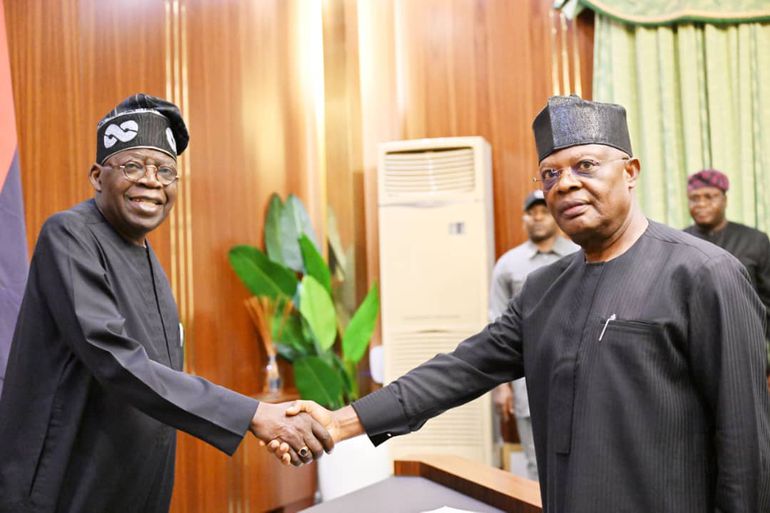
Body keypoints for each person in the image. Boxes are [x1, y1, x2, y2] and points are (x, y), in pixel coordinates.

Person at [274, 95, 770, 513]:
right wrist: (339, 422)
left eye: (586, 166)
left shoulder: (705, 274)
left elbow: (745, 445)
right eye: (550, 174)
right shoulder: (542, 290)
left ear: (631, 171)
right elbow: (458, 371)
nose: (567, 183)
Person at [0, 94, 331, 513]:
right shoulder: (69, 236)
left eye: (165, 171)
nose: (152, 180)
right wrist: (252, 415)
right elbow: (114, 360)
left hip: (134, 489)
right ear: (98, 176)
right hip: (66, 489)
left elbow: (160, 380)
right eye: (133, 166)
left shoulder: (149, 258)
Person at [490, 189, 577, 480]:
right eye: (532, 212)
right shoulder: (508, 264)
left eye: (544, 211)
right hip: (527, 378)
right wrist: (501, 386)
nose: (538, 218)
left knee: (581, 459)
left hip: (576, 370)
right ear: (524, 218)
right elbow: (497, 326)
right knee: (536, 463)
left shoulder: (579, 254)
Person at [684, 168, 770, 387]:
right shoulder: (679, 242)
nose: (701, 204)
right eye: (694, 198)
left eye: (709, 197)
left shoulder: (755, 241)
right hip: (695, 352)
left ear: (724, 199)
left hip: (747, 347)